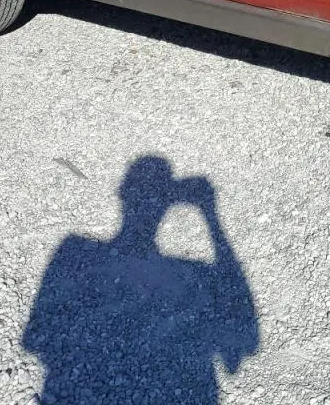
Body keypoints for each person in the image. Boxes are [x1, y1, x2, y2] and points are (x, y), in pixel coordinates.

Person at [23, 156, 259, 404]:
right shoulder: (73, 251)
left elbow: (37, 339)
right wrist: (210, 215)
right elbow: (244, 343)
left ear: (122, 194)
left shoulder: (71, 251)